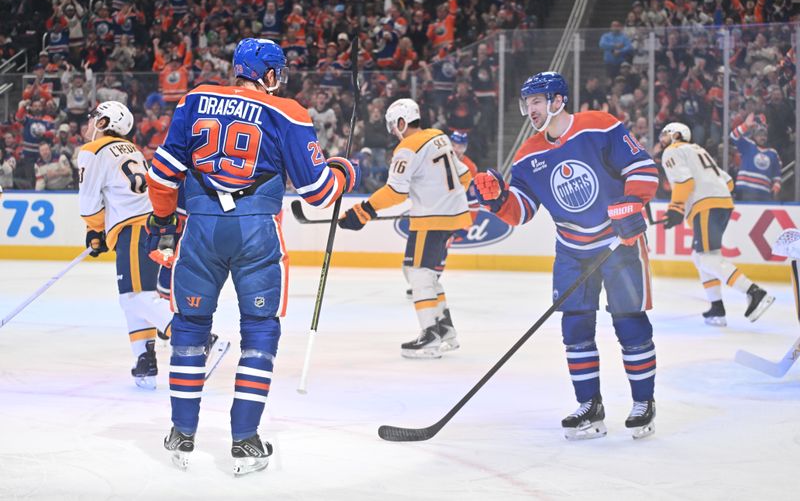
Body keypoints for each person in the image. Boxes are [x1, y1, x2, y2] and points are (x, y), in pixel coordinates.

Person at [144, 38, 359, 475]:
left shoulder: (197, 97)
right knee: (260, 332)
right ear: (270, 73)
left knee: (189, 327)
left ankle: (181, 433)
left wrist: (165, 221)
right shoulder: (288, 111)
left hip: (201, 230)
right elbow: (318, 193)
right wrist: (343, 171)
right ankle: (244, 440)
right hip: (257, 233)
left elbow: (162, 174)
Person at [472, 72, 659, 440]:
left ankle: (643, 403)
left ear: (558, 100)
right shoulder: (528, 155)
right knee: (575, 328)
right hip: (573, 251)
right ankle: (590, 405)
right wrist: (498, 201)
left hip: (616, 244)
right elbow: (523, 210)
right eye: (527, 103)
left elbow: (643, 168)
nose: (531, 109)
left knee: (629, 322)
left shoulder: (600, 126)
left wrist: (631, 203)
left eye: (537, 101)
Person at [339, 98, 472, 359]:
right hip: (449, 217)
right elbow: (465, 177)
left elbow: (395, 192)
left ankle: (430, 336)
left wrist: (363, 211)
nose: (392, 132)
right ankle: (445, 331)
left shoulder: (407, 148)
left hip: (430, 220)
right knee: (428, 274)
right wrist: (435, 195)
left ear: (401, 122)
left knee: (418, 274)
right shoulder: (439, 137)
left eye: (393, 126)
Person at [76, 101, 173, 390]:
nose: (90, 123)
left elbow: (89, 199)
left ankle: (196, 337)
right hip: (146, 227)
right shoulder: (133, 149)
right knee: (135, 296)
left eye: (95, 118)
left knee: (133, 297)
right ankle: (145, 359)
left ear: (105, 123)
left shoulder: (92, 151)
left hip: (133, 229)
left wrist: (94, 230)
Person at [659, 122, 775, 326]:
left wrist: (676, 207)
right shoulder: (698, 150)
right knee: (701, 256)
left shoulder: (672, 151)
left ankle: (754, 292)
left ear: (676, 135)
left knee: (706, 258)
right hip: (721, 202)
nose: (662, 138)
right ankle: (717, 308)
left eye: (665, 133)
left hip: (705, 205)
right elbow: (728, 181)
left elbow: (684, 181)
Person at [729, 113, 782, 201]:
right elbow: (733, 136)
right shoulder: (748, 145)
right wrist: (745, 126)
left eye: (764, 135)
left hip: (764, 194)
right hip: (744, 190)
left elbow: (777, 175)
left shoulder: (773, 153)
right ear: (754, 136)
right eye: (759, 134)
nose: (762, 137)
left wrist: (776, 186)